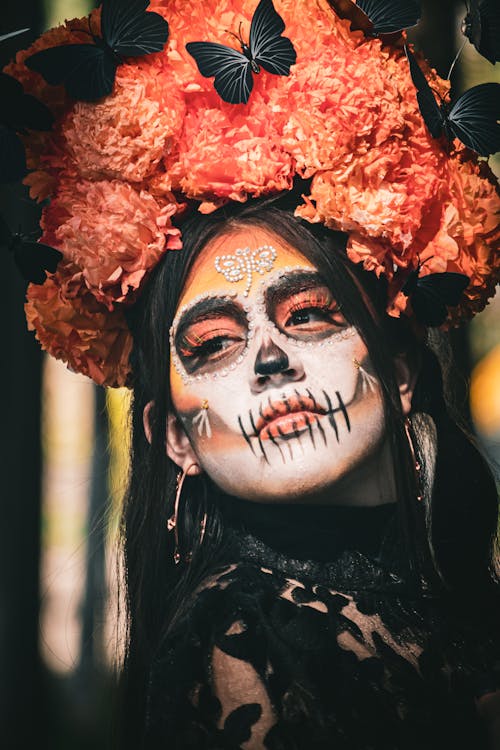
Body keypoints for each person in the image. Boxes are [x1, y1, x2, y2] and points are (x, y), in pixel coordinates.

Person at [3, 0, 499, 747]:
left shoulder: (450, 595)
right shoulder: (239, 644)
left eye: (306, 315)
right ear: (174, 435)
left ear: (400, 373)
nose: (270, 356)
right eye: (212, 343)